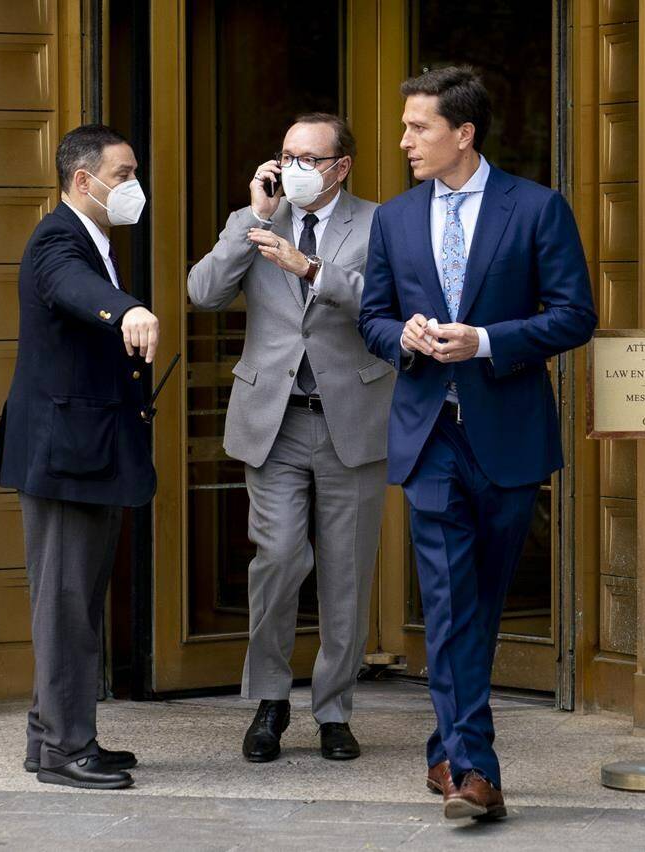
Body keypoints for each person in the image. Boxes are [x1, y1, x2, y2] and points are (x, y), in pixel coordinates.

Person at [358, 67, 596, 821]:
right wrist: (405, 335)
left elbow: (573, 316)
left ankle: (445, 748)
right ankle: (475, 774)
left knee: (479, 604)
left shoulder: (537, 208)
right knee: (450, 599)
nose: (403, 141)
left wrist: (487, 339)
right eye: (404, 127)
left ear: (462, 133)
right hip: (428, 437)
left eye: (417, 127)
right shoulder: (393, 219)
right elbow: (372, 318)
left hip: (508, 435)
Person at [187, 114, 393, 763]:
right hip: (273, 421)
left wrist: (311, 270)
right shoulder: (251, 220)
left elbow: (388, 302)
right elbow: (203, 293)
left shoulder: (380, 223)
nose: (295, 166)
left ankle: (333, 708)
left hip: (349, 420)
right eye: (286, 155)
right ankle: (270, 699)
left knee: (346, 574)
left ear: (341, 166)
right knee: (276, 558)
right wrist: (250, 225)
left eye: (309, 157)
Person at [0, 124, 160, 791]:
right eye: (123, 175)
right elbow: (67, 287)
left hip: (88, 452)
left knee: (77, 603)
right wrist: (127, 310)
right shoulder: (58, 237)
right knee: (64, 607)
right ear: (83, 181)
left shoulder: (96, 240)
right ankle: (63, 750)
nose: (133, 187)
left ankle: (53, 736)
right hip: (66, 455)